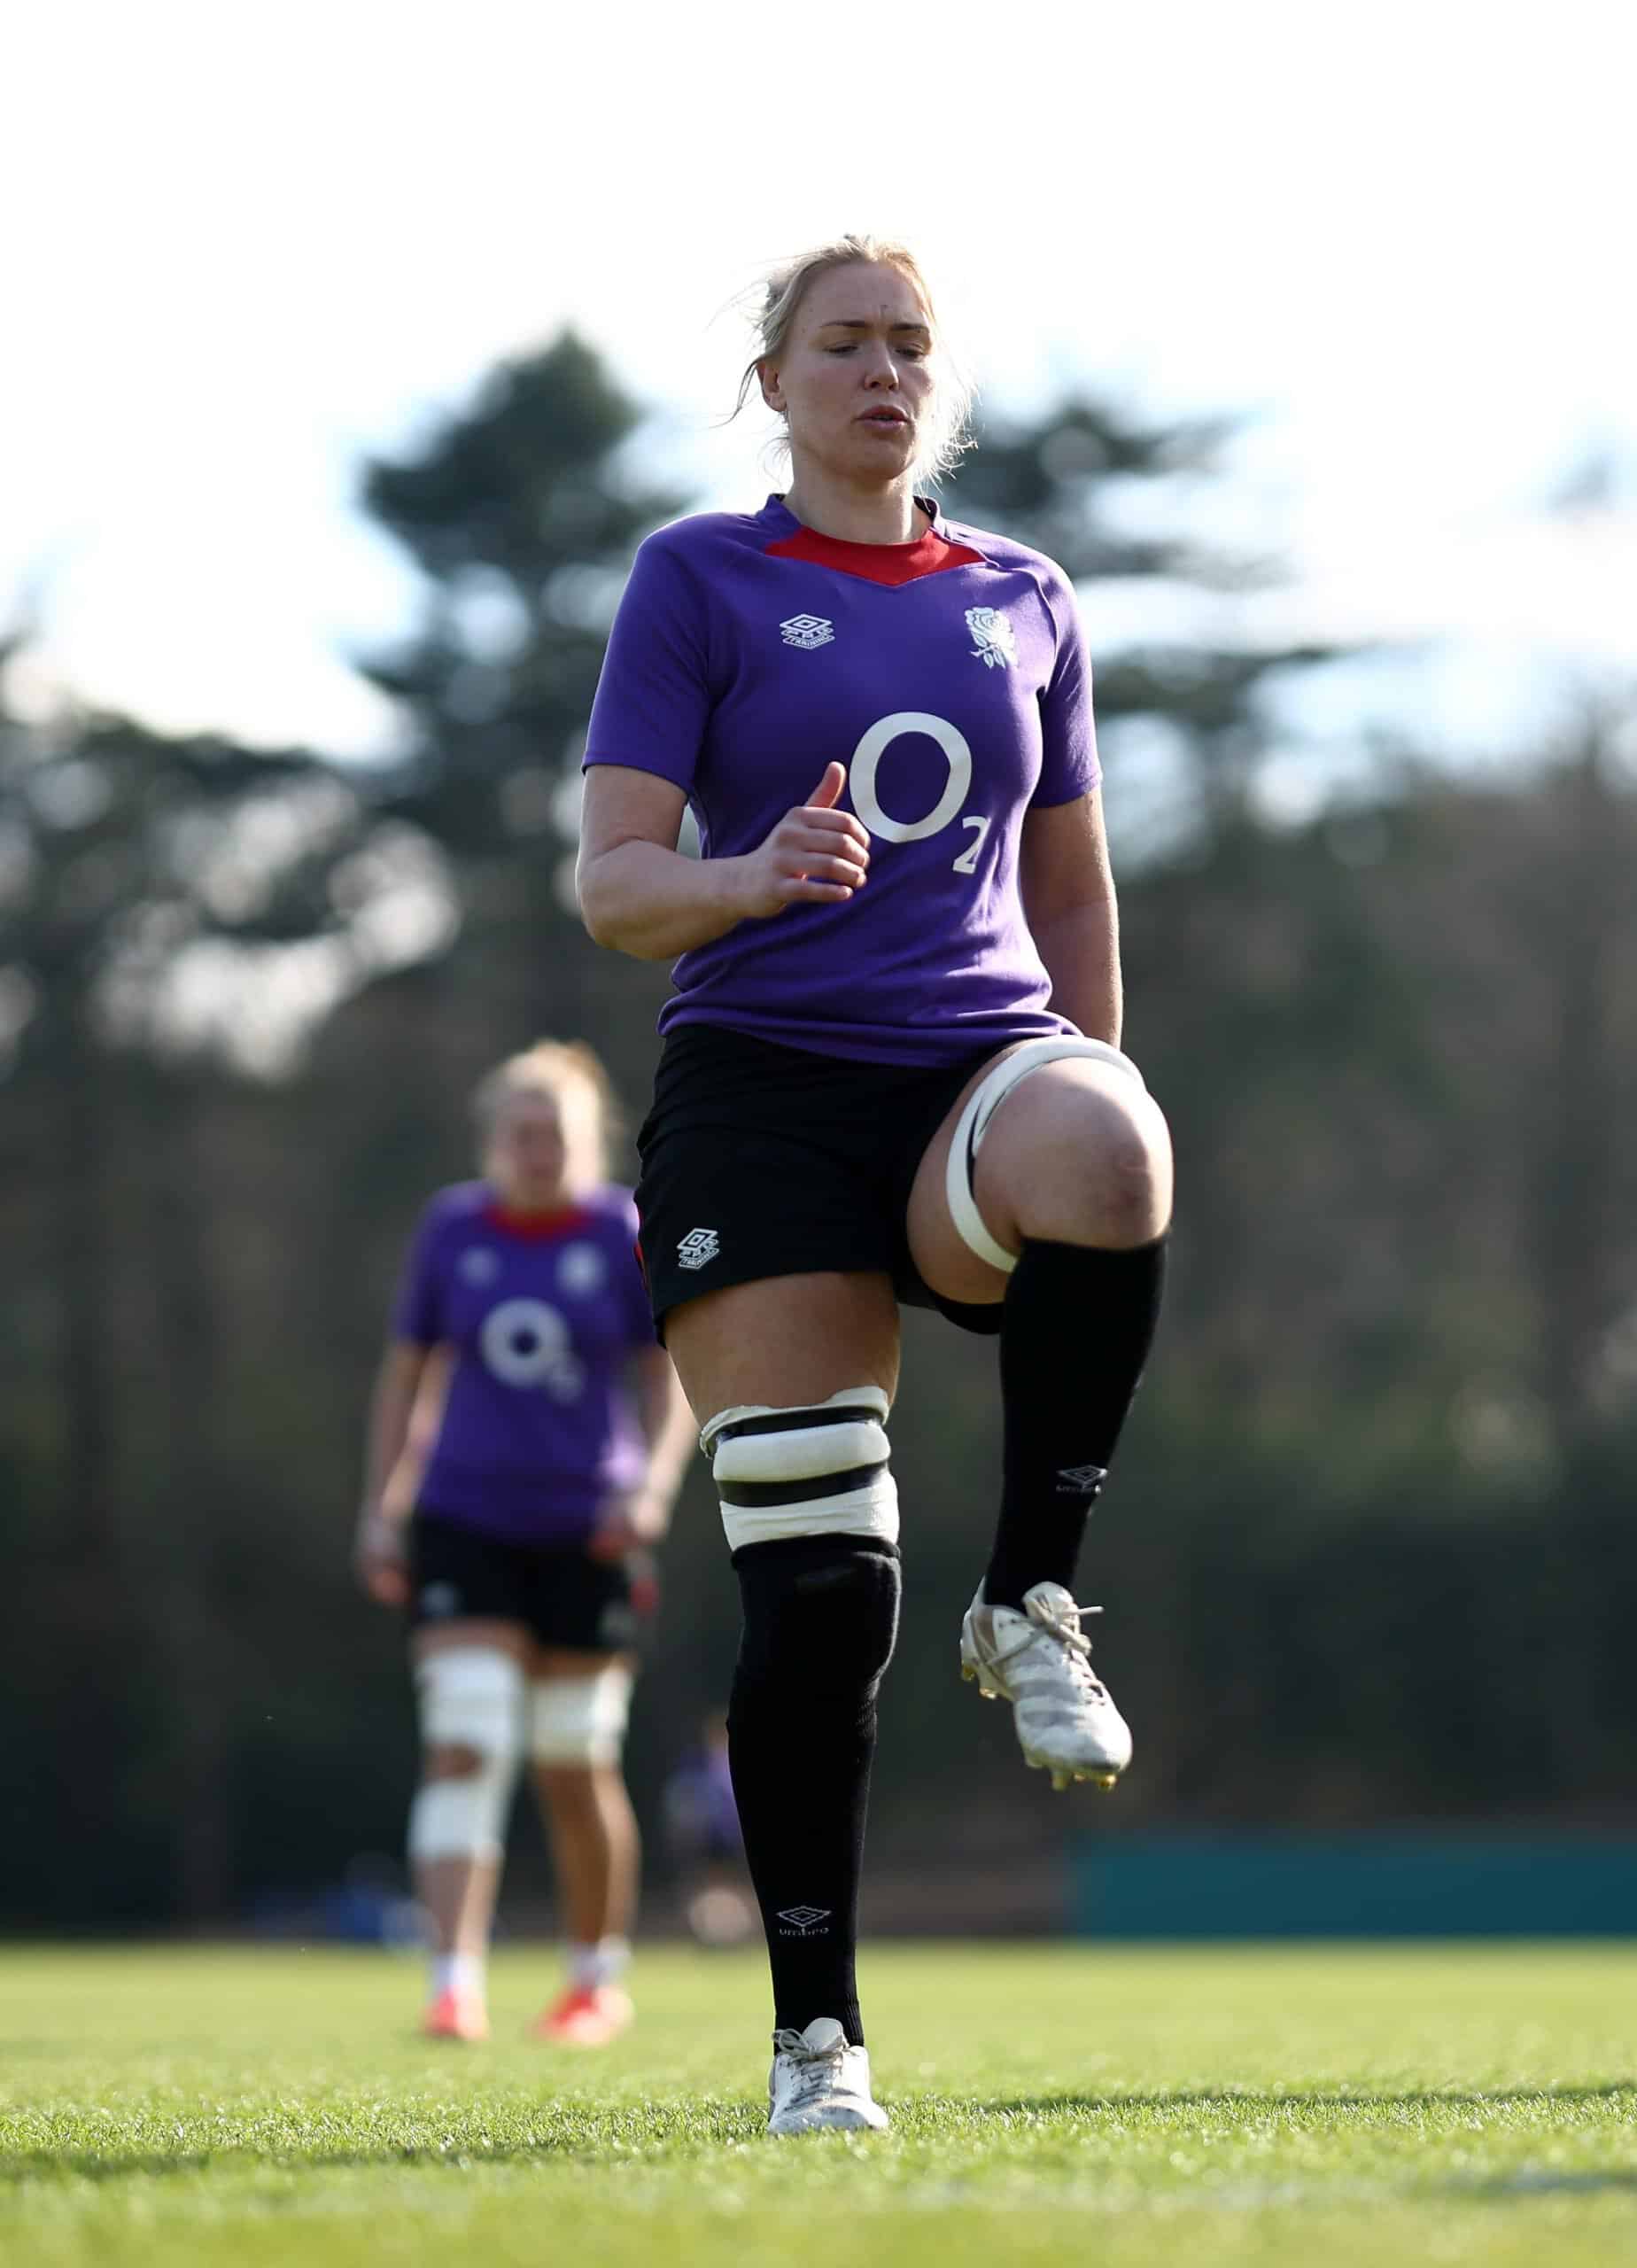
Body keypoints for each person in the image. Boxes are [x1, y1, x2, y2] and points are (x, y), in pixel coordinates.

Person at [575, 234, 1174, 2133]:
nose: (882, 370)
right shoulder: (700, 578)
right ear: (777, 381)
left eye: (911, 341)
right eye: (843, 342)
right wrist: (750, 875)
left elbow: (1070, 882)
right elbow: (611, 885)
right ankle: (815, 2040)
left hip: (969, 1071)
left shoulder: (1027, 594)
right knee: (824, 1587)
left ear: (945, 381)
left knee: (1116, 1140)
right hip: (762, 1091)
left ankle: (1036, 1599)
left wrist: (1090, 1049)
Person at [354, 1040, 694, 2045]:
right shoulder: (453, 1228)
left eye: (557, 1134)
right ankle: (452, 1978)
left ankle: (596, 1978)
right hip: (464, 1519)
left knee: (568, 1757)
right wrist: (382, 1505)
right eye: (521, 1132)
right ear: (492, 1138)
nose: (539, 1150)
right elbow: (408, 1374)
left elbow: (665, 1372)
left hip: (587, 1527)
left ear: (587, 1140)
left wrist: (654, 1486)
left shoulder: (620, 1226)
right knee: (467, 1736)